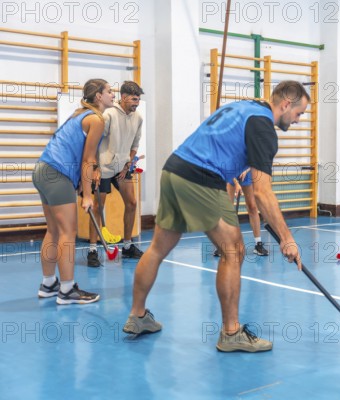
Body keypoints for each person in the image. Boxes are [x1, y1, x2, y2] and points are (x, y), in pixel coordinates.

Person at [123, 81, 310, 352]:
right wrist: (287, 239)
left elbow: (222, 144)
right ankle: (231, 332)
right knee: (233, 251)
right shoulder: (263, 127)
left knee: (158, 248)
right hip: (200, 177)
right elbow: (262, 193)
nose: (298, 120)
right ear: (285, 105)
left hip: (174, 170)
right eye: (299, 113)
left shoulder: (244, 108)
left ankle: (137, 316)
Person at [33, 79, 114, 304]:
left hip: (43, 170)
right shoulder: (96, 119)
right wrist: (87, 195)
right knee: (68, 232)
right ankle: (67, 291)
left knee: (54, 231)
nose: (113, 95)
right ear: (98, 96)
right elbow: (87, 160)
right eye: (109, 91)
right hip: (57, 173)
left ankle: (48, 284)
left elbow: (79, 155)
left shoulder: (79, 113)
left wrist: (79, 183)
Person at [87, 81, 145, 267]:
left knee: (132, 202)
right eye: (134, 99)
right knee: (98, 207)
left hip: (122, 168)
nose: (136, 103)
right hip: (103, 167)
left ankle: (127, 246)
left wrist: (127, 164)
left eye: (138, 99)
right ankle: (93, 250)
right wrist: (94, 167)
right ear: (124, 97)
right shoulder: (109, 114)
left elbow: (135, 145)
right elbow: (95, 140)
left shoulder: (138, 118)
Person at [213, 168, 269, 258]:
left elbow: (252, 159)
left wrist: (245, 170)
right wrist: (236, 183)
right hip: (231, 173)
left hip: (247, 174)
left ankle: (258, 244)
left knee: (252, 207)